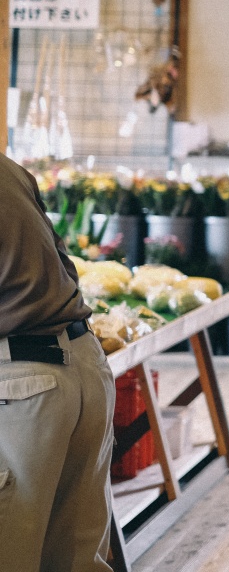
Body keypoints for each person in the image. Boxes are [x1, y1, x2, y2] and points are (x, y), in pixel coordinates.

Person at [0, 154, 116, 572]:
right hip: (84, 365)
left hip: (22, 388)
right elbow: (64, 264)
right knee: (75, 563)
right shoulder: (7, 168)